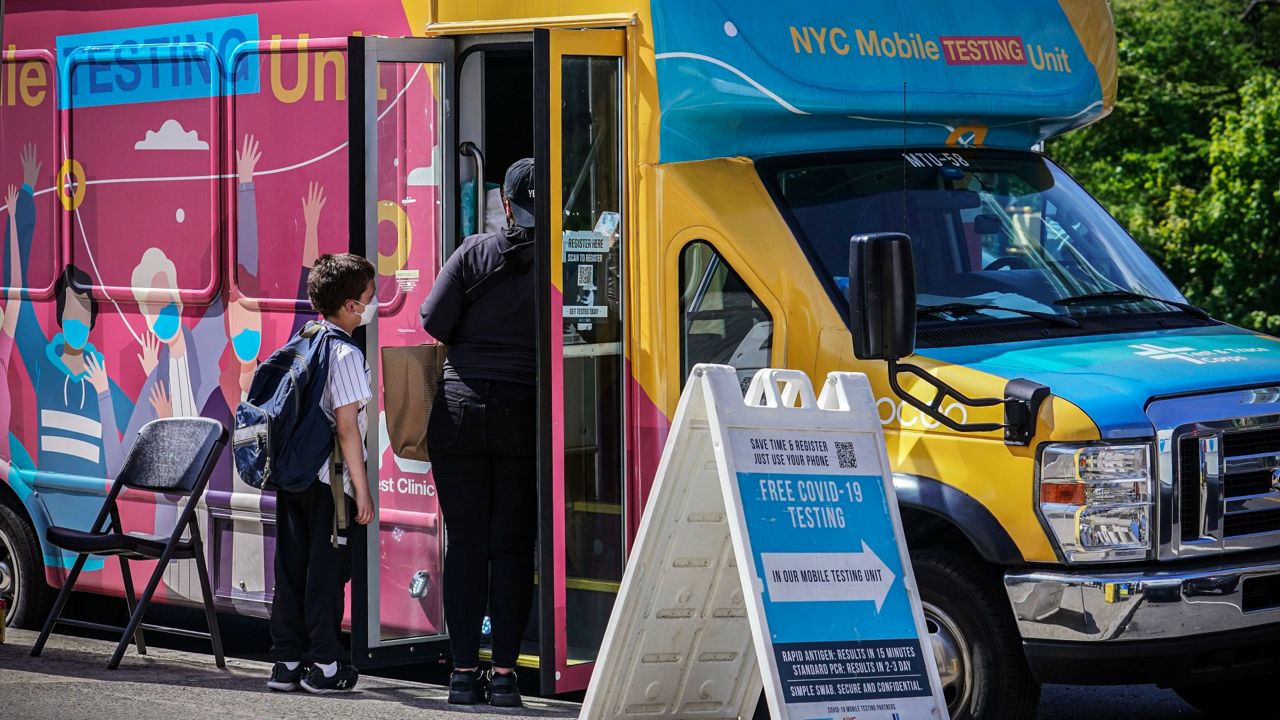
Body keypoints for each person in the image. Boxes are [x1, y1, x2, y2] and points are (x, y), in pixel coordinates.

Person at [420, 158, 537, 707]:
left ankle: (464, 676)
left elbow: (434, 321)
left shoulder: (474, 252)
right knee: (512, 548)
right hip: (523, 414)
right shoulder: (564, 263)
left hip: (459, 411)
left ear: (507, 205)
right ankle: (509, 679)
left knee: (466, 545)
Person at [267, 253, 377, 694]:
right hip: (330, 485)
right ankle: (326, 666)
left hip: (292, 476)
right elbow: (348, 428)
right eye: (369, 297)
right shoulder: (345, 354)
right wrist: (362, 491)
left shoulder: (305, 338)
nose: (372, 305)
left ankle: (286, 663)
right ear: (351, 305)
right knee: (326, 573)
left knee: (291, 570)